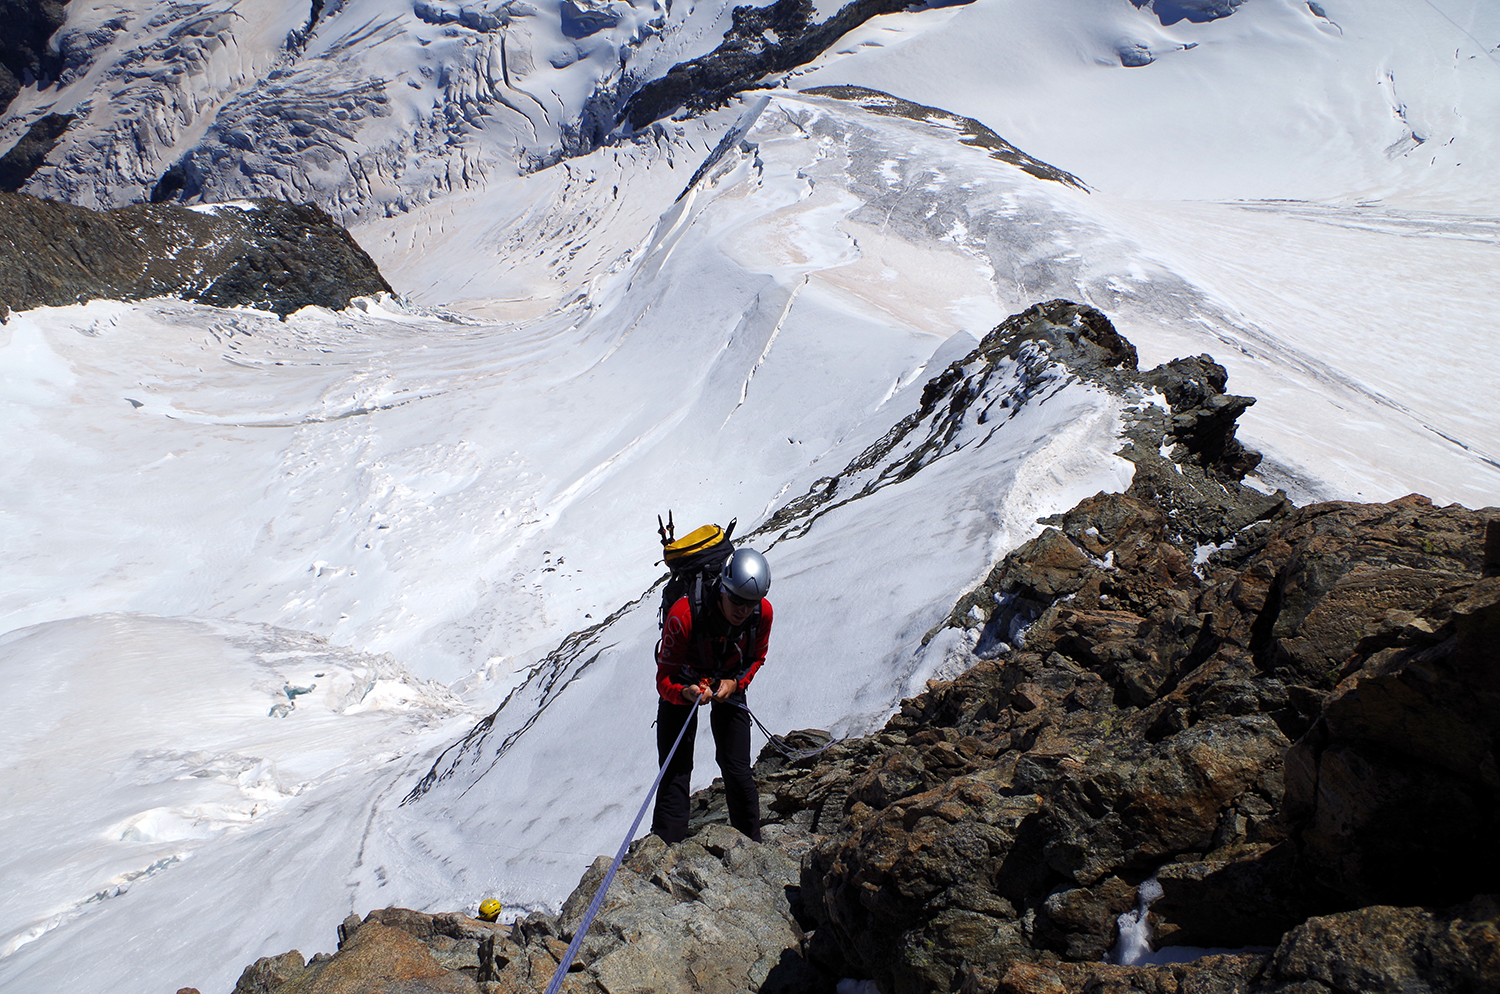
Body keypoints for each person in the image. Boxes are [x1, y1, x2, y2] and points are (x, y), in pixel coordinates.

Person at [650, 547, 772, 843]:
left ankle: (751, 847)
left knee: (737, 768)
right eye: (737, 600)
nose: (743, 610)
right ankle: (666, 851)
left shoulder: (762, 612)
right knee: (675, 770)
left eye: (750, 603)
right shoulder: (683, 614)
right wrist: (684, 693)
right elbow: (664, 678)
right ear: (723, 589)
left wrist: (735, 683)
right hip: (684, 681)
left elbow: (757, 657)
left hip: (727, 682)